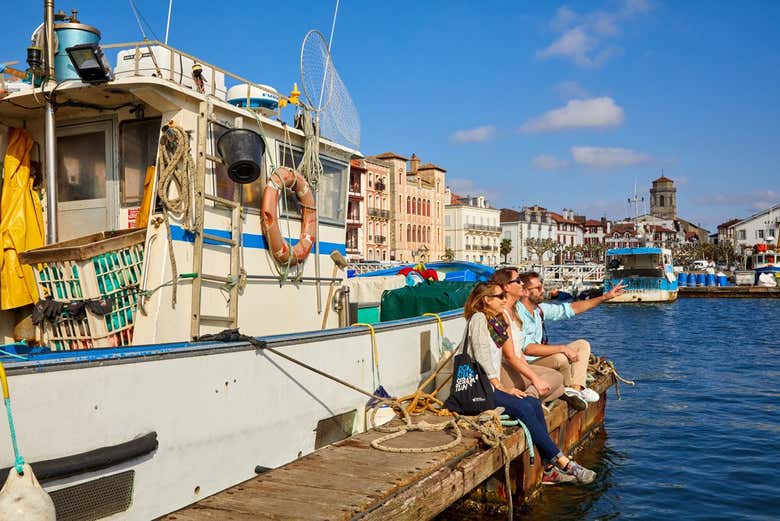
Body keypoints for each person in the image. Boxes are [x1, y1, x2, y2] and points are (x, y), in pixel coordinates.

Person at [460, 282, 596, 484]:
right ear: (486, 300)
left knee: (531, 403)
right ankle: (564, 463)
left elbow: (509, 353)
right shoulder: (479, 318)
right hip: (476, 388)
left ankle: (549, 469)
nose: (504, 299)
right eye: (499, 296)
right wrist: (502, 386)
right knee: (524, 406)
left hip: (489, 386)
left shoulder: (494, 321)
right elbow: (481, 357)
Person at [516, 271, 627, 405]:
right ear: (525, 291)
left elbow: (570, 309)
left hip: (539, 359)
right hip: (526, 364)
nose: (543, 290)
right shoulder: (516, 313)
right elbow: (527, 348)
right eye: (538, 288)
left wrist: (605, 297)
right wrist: (562, 348)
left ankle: (576, 388)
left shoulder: (538, 310)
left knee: (582, 345)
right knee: (560, 357)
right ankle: (568, 389)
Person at [488, 268, 565, 405]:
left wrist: (531, 373)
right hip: (504, 371)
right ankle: (529, 399)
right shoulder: (502, 314)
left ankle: (530, 397)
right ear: (506, 286)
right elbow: (510, 356)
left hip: (515, 367)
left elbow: (519, 352)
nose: (522, 284)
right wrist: (534, 378)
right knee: (556, 377)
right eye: (518, 281)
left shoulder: (513, 312)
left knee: (559, 387)